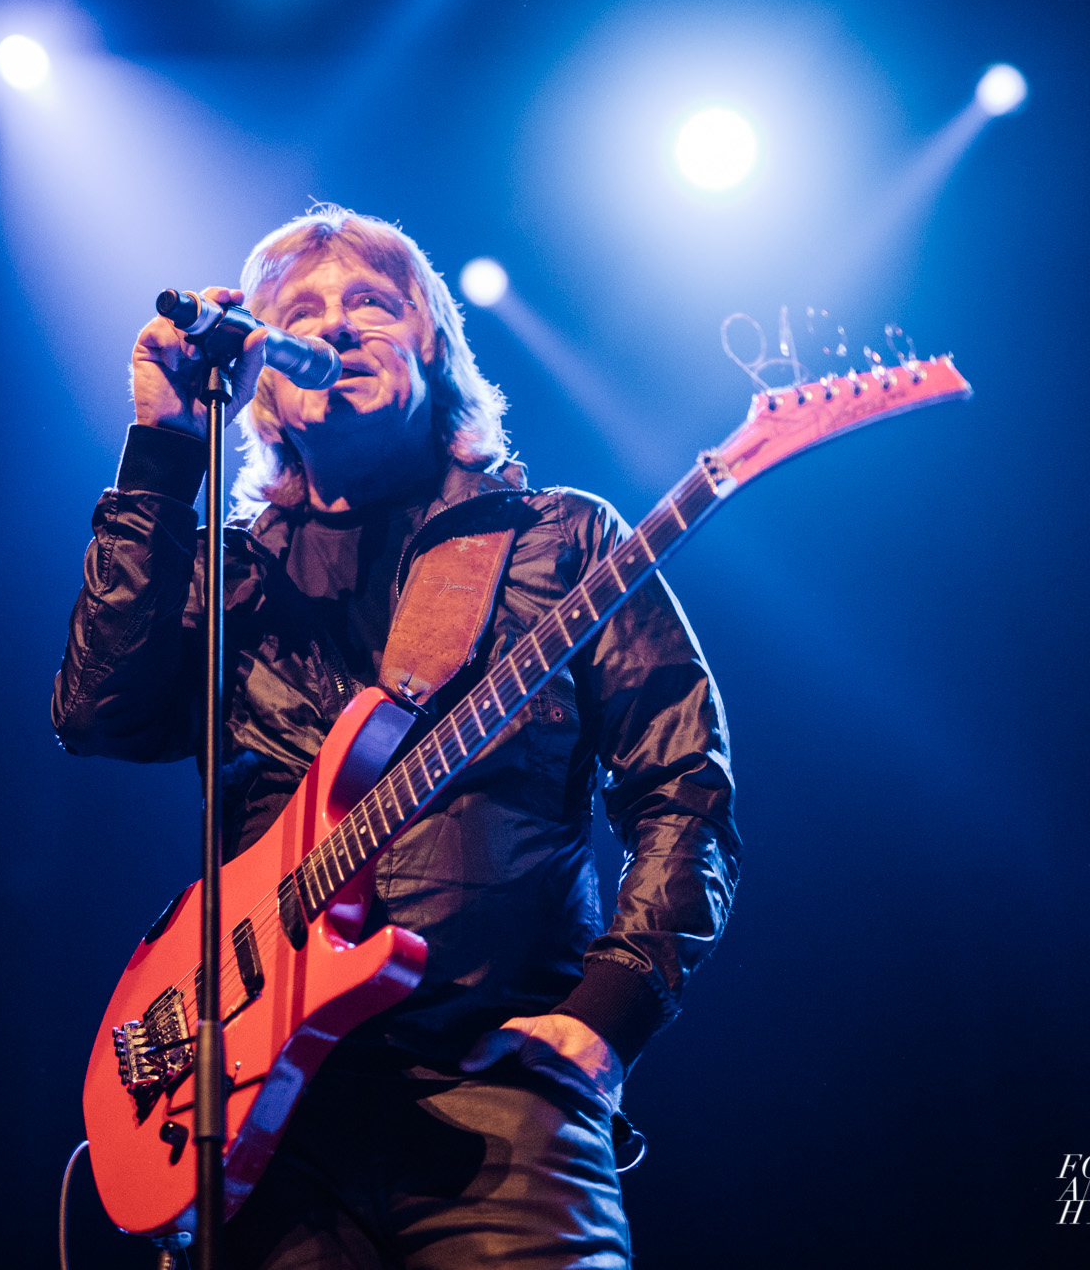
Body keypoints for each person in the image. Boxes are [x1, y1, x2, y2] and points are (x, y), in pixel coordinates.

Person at [53, 205, 738, 1268]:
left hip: (497, 1097)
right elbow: (95, 711)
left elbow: (683, 787)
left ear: (433, 343)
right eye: (300, 312)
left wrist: (610, 1010)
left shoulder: (558, 540)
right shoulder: (235, 576)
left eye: (371, 302)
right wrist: (161, 450)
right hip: (254, 1110)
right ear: (264, 379)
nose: (335, 328)